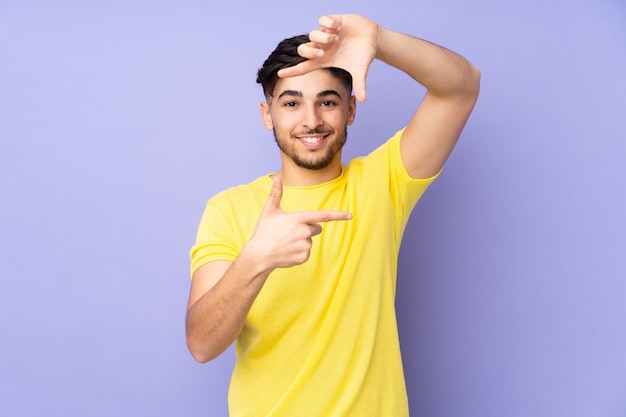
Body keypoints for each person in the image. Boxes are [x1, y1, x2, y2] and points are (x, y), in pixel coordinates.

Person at [186, 14, 480, 416]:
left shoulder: (384, 181)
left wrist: (380, 40)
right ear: (267, 114)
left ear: (350, 111)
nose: (311, 120)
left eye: (327, 101)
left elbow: (461, 87)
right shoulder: (229, 209)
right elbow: (202, 345)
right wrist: (255, 261)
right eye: (291, 103)